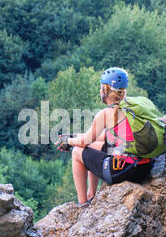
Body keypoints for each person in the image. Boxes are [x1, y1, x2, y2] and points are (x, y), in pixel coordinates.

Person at [56, 68, 153, 206]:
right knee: (97, 146)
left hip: (125, 171)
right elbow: (100, 138)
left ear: (106, 89)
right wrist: (75, 136)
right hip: (144, 169)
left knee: (77, 152)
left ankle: (83, 203)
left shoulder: (106, 113)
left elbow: (84, 142)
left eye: (101, 87)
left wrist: (69, 141)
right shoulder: (132, 107)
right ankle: (91, 195)